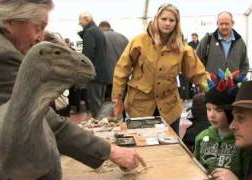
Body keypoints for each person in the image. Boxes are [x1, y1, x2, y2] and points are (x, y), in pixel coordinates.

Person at [0, 0, 145, 175]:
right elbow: (34, 116)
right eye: (38, 27)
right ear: (9, 21)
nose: (40, 37)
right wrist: (110, 151)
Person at [111, 3, 208, 135]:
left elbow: (198, 73)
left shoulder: (183, 48)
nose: (167, 23)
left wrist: (214, 92)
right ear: (157, 19)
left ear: (176, 23)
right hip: (139, 107)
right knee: (140, 145)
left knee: (170, 147)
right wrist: (117, 98)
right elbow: (122, 68)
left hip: (169, 108)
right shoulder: (139, 41)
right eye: (164, 19)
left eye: (171, 20)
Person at [194, 69, 252, 179]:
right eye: (208, 109)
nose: (212, 115)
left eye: (218, 110)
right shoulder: (201, 138)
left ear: (231, 112)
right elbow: (193, 167)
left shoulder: (244, 143)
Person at [78, 10, 112, 118]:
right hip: (102, 74)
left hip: (94, 75)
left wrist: (83, 70)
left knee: (96, 107)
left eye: (80, 20)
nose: (79, 23)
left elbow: (88, 55)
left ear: (86, 19)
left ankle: (98, 130)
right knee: (100, 105)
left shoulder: (90, 32)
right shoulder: (98, 31)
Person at [98, 20, 129, 101]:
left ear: (99, 28)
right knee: (121, 102)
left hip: (104, 79)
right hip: (122, 77)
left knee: (105, 106)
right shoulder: (123, 37)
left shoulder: (98, 38)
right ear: (109, 27)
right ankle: (122, 113)